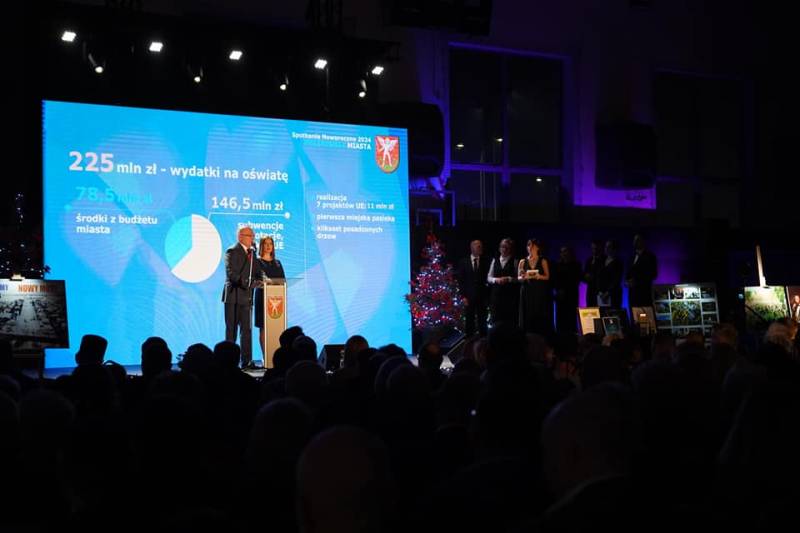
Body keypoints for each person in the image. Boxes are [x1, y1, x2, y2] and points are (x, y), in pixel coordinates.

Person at [222, 226, 257, 368]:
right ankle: (228, 362)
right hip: (233, 296)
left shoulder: (252, 253)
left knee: (247, 330)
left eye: (253, 236)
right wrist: (246, 282)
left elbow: (257, 271)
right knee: (231, 330)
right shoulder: (232, 251)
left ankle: (246, 361)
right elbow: (231, 273)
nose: (252, 238)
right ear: (240, 237)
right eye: (250, 235)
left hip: (247, 297)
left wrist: (264, 280)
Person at [253, 236, 287, 361]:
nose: (268, 246)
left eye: (270, 244)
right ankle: (265, 358)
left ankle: (276, 358)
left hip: (277, 299)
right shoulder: (257, 262)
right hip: (262, 297)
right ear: (261, 246)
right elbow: (255, 280)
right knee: (263, 327)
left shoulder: (277, 263)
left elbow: (283, 280)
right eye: (265, 244)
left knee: (277, 328)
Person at [518, 238, 553, 336]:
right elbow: (519, 278)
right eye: (528, 245)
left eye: (532, 246)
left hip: (539, 290)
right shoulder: (522, 261)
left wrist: (538, 276)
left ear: (537, 248)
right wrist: (523, 277)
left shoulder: (542, 260)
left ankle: (540, 335)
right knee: (527, 312)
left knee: (538, 311)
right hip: (527, 290)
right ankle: (527, 334)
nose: (530, 248)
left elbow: (547, 276)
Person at [457, 240, 489, 336]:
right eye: (478, 246)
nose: (480, 248)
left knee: (482, 319)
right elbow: (461, 281)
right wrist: (463, 296)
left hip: (482, 296)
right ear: (472, 248)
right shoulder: (463, 262)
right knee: (469, 319)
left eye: (481, 246)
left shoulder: (486, 261)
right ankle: (470, 339)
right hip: (468, 296)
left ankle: (483, 339)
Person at [487, 238, 519, 327]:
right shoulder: (495, 260)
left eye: (506, 247)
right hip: (496, 296)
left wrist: (509, 279)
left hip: (509, 297)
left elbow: (519, 278)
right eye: (502, 247)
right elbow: (489, 277)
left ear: (510, 249)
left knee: (508, 321)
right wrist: (495, 280)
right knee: (496, 320)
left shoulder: (515, 261)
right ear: (499, 248)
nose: (504, 249)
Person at [553, 246, 581, 334]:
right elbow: (555, 279)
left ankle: (572, 336)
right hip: (560, 296)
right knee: (560, 318)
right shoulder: (557, 265)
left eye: (565, 251)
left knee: (571, 318)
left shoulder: (576, 265)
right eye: (562, 252)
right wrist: (558, 290)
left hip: (571, 295)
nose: (564, 254)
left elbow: (576, 279)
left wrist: (565, 289)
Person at [626, 234, 658, 307]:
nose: (635, 242)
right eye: (634, 240)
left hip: (644, 294)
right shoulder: (631, 257)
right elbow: (628, 272)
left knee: (644, 313)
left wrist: (636, 281)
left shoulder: (650, 256)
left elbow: (653, 274)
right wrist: (627, 281)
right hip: (632, 294)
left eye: (637, 240)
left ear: (643, 241)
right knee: (633, 312)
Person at [596, 240, 623, 308]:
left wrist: (608, 292)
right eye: (606, 247)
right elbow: (598, 277)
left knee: (612, 312)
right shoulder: (602, 260)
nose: (606, 249)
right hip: (601, 294)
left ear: (614, 249)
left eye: (609, 247)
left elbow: (616, 279)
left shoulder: (618, 262)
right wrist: (600, 291)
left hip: (613, 294)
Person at [583, 240, 605, 307]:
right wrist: (586, 277)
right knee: (591, 308)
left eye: (596, 248)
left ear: (600, 248)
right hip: (590, 290)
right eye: (593, 248)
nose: (594, 250)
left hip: (601, 291)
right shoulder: (589, 260)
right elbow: (584, 274)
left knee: (602, 310)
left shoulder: (605, 259)